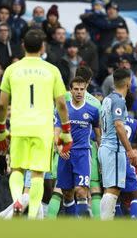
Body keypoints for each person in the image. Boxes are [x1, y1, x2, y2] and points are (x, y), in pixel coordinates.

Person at [0, 29, 71, 219]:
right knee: (37, 174)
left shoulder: (12, 69)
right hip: (43, 129)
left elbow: (2, 104)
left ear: (23, 46)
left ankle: (17, 201)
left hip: (20, 126)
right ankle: (32, 217)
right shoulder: (52, 70)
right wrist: (66, 130)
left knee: (17, 169)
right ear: (43, 47)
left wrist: (1, 129)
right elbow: (61, 104)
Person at [53, 77, 101, 217]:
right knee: (67, 194)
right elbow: (56, 130)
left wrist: (100, 158)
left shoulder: (92, 111)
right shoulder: (63, 108)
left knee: (81, 190)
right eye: (76, 89)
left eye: (82, 89)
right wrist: (59, 147)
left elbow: (98, 136)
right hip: (65, 154)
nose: (79, 92)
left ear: (86, 90)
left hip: (83, 155)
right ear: (71, 90)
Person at [99, 68, 137, 220]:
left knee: (110, 189)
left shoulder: (107, 99)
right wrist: (130, 150)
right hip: (113, 149)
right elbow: (118, 125)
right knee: (113, 189)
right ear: (129, 82)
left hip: (105, 147)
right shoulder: (119, 100)